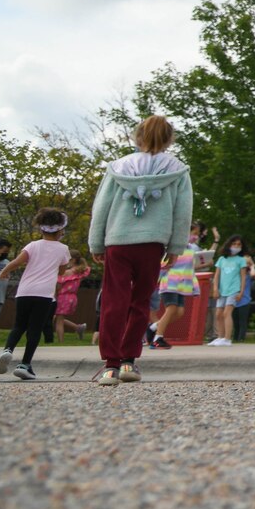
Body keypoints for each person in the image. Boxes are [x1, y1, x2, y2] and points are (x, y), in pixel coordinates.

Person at [86, 116, 193, 385]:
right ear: (170, 140)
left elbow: (102, 207)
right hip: (152, 243)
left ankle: (110, 365)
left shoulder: (118, 168)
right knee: (140, 301)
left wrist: (96, 242)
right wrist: (176, 245)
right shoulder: (177, 171)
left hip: (119, 241)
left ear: (137, 137)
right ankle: (128, 362)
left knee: (114, 301)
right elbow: (183, 212)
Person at [0, 209, 72, 380]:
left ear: (41, 229)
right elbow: (61, 271)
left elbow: (16, 262)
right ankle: (25, 365)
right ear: (60, 230)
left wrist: (4, 271)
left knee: (19, 325)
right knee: (35, 328)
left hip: (24, 292)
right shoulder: (63, 249)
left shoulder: (32, 245)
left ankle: (7, 350)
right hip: (44, 294)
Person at [148, 222, 207, 349]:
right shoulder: (172, 249)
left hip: (182, 286)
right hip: (170, 283)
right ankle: (158, 339)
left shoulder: (191, 249)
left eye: (197, 234)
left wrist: (194, 286)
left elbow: (190, 268)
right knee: (172, 309)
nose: (195, 236)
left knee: (179, 312)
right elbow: (163, 266)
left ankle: (153, 327)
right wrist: (155, 281)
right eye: (194, 233)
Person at [209, 235, 252, 346]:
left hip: (234, 289)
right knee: (218, 314)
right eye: (234, 244)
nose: (236, 246)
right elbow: (217, 275)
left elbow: (243, 277)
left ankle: (227, 339)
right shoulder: (222, 259)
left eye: (239, 245)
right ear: (229, 245)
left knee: (227, 313)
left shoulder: (241, 260)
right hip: (222, 290)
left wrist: (241, 292)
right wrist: (215, 289)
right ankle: (220, 337)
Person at [51, 254, 91, 339]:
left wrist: (54, 295)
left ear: (72, 260)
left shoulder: (66, 273)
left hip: (62, 297)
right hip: (72, 298)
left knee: (59, 321)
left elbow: (58, 286)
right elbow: (86, 268)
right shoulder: (79, 272)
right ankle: (78, 328)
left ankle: (61, 340)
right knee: (57, 317)